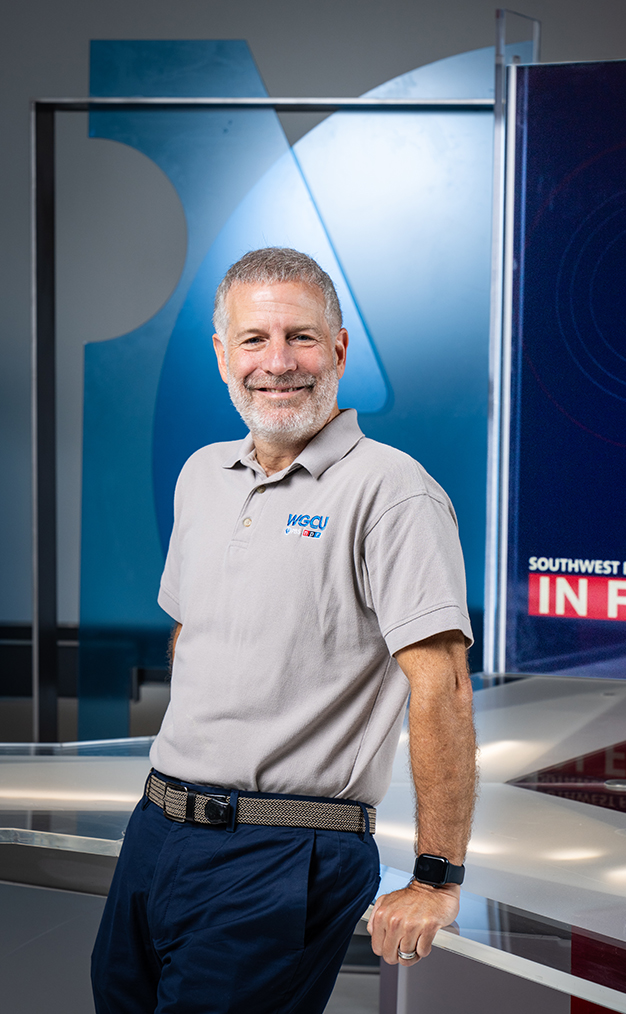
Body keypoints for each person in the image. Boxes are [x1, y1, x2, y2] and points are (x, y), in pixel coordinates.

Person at [91, 247, 476, 1014]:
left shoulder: (392, 491)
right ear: (222, 354)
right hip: (158, 829)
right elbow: (190, 634)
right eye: (255, 341)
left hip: (286, 848)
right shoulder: (202, 474)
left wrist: (436, 877)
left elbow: (443, 687)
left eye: (301, 338)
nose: (278, 363)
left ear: (338, 349)